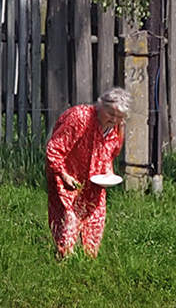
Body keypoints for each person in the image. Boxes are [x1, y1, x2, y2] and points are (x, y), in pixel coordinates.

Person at [45, 87, 129, 258]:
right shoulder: (80, 117)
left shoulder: (117, 128)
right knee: (68, 223)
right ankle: (63, 264)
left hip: (95, 182)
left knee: (94, 222)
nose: (114, 119)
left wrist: (108, 174)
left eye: (119, 117)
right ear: (100, 106)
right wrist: (62, 174)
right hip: (68, 177)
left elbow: (110, 154)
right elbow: (54, 148)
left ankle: (87, 264)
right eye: (110, 114)